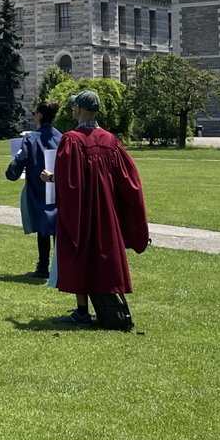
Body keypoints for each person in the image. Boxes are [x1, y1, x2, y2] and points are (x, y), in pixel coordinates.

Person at [41, 91, 149, 325]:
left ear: (79, 110)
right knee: (104, 255)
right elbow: (129, 181)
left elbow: (70, 182)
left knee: (78, 252)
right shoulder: (111, 140)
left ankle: (82, 312)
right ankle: (104, 305)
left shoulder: (72, 139)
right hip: (106, 212)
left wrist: (50, 178)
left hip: (82, 210)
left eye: (73, 108)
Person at [6, 102, 61, 277]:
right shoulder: (62, 137)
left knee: (43, 226)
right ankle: (59, 268)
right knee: (58, 227)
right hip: (59, 186)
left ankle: (43, 266)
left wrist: (11, 172)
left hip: (38, 187)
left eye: (34, 112)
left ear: (39, 115)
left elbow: (20, 159)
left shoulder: (31, 138)